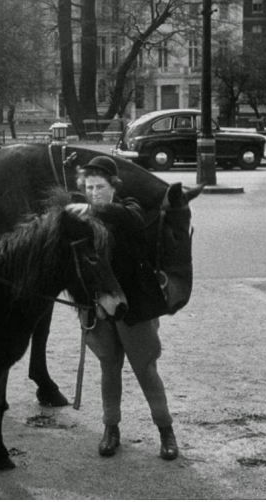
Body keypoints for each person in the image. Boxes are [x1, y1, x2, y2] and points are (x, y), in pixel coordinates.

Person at [77, 156, 179, 461]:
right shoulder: (81, 218)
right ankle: (111, 428)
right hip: (97, 307)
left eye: (100, 187)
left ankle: (166, 431)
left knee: (145, 369)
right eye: (89, 187)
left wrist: (93, 209)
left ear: (114, 187)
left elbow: (129, 219)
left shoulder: (130, 208)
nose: (94, 192)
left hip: (133, 305)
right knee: (108, 367)